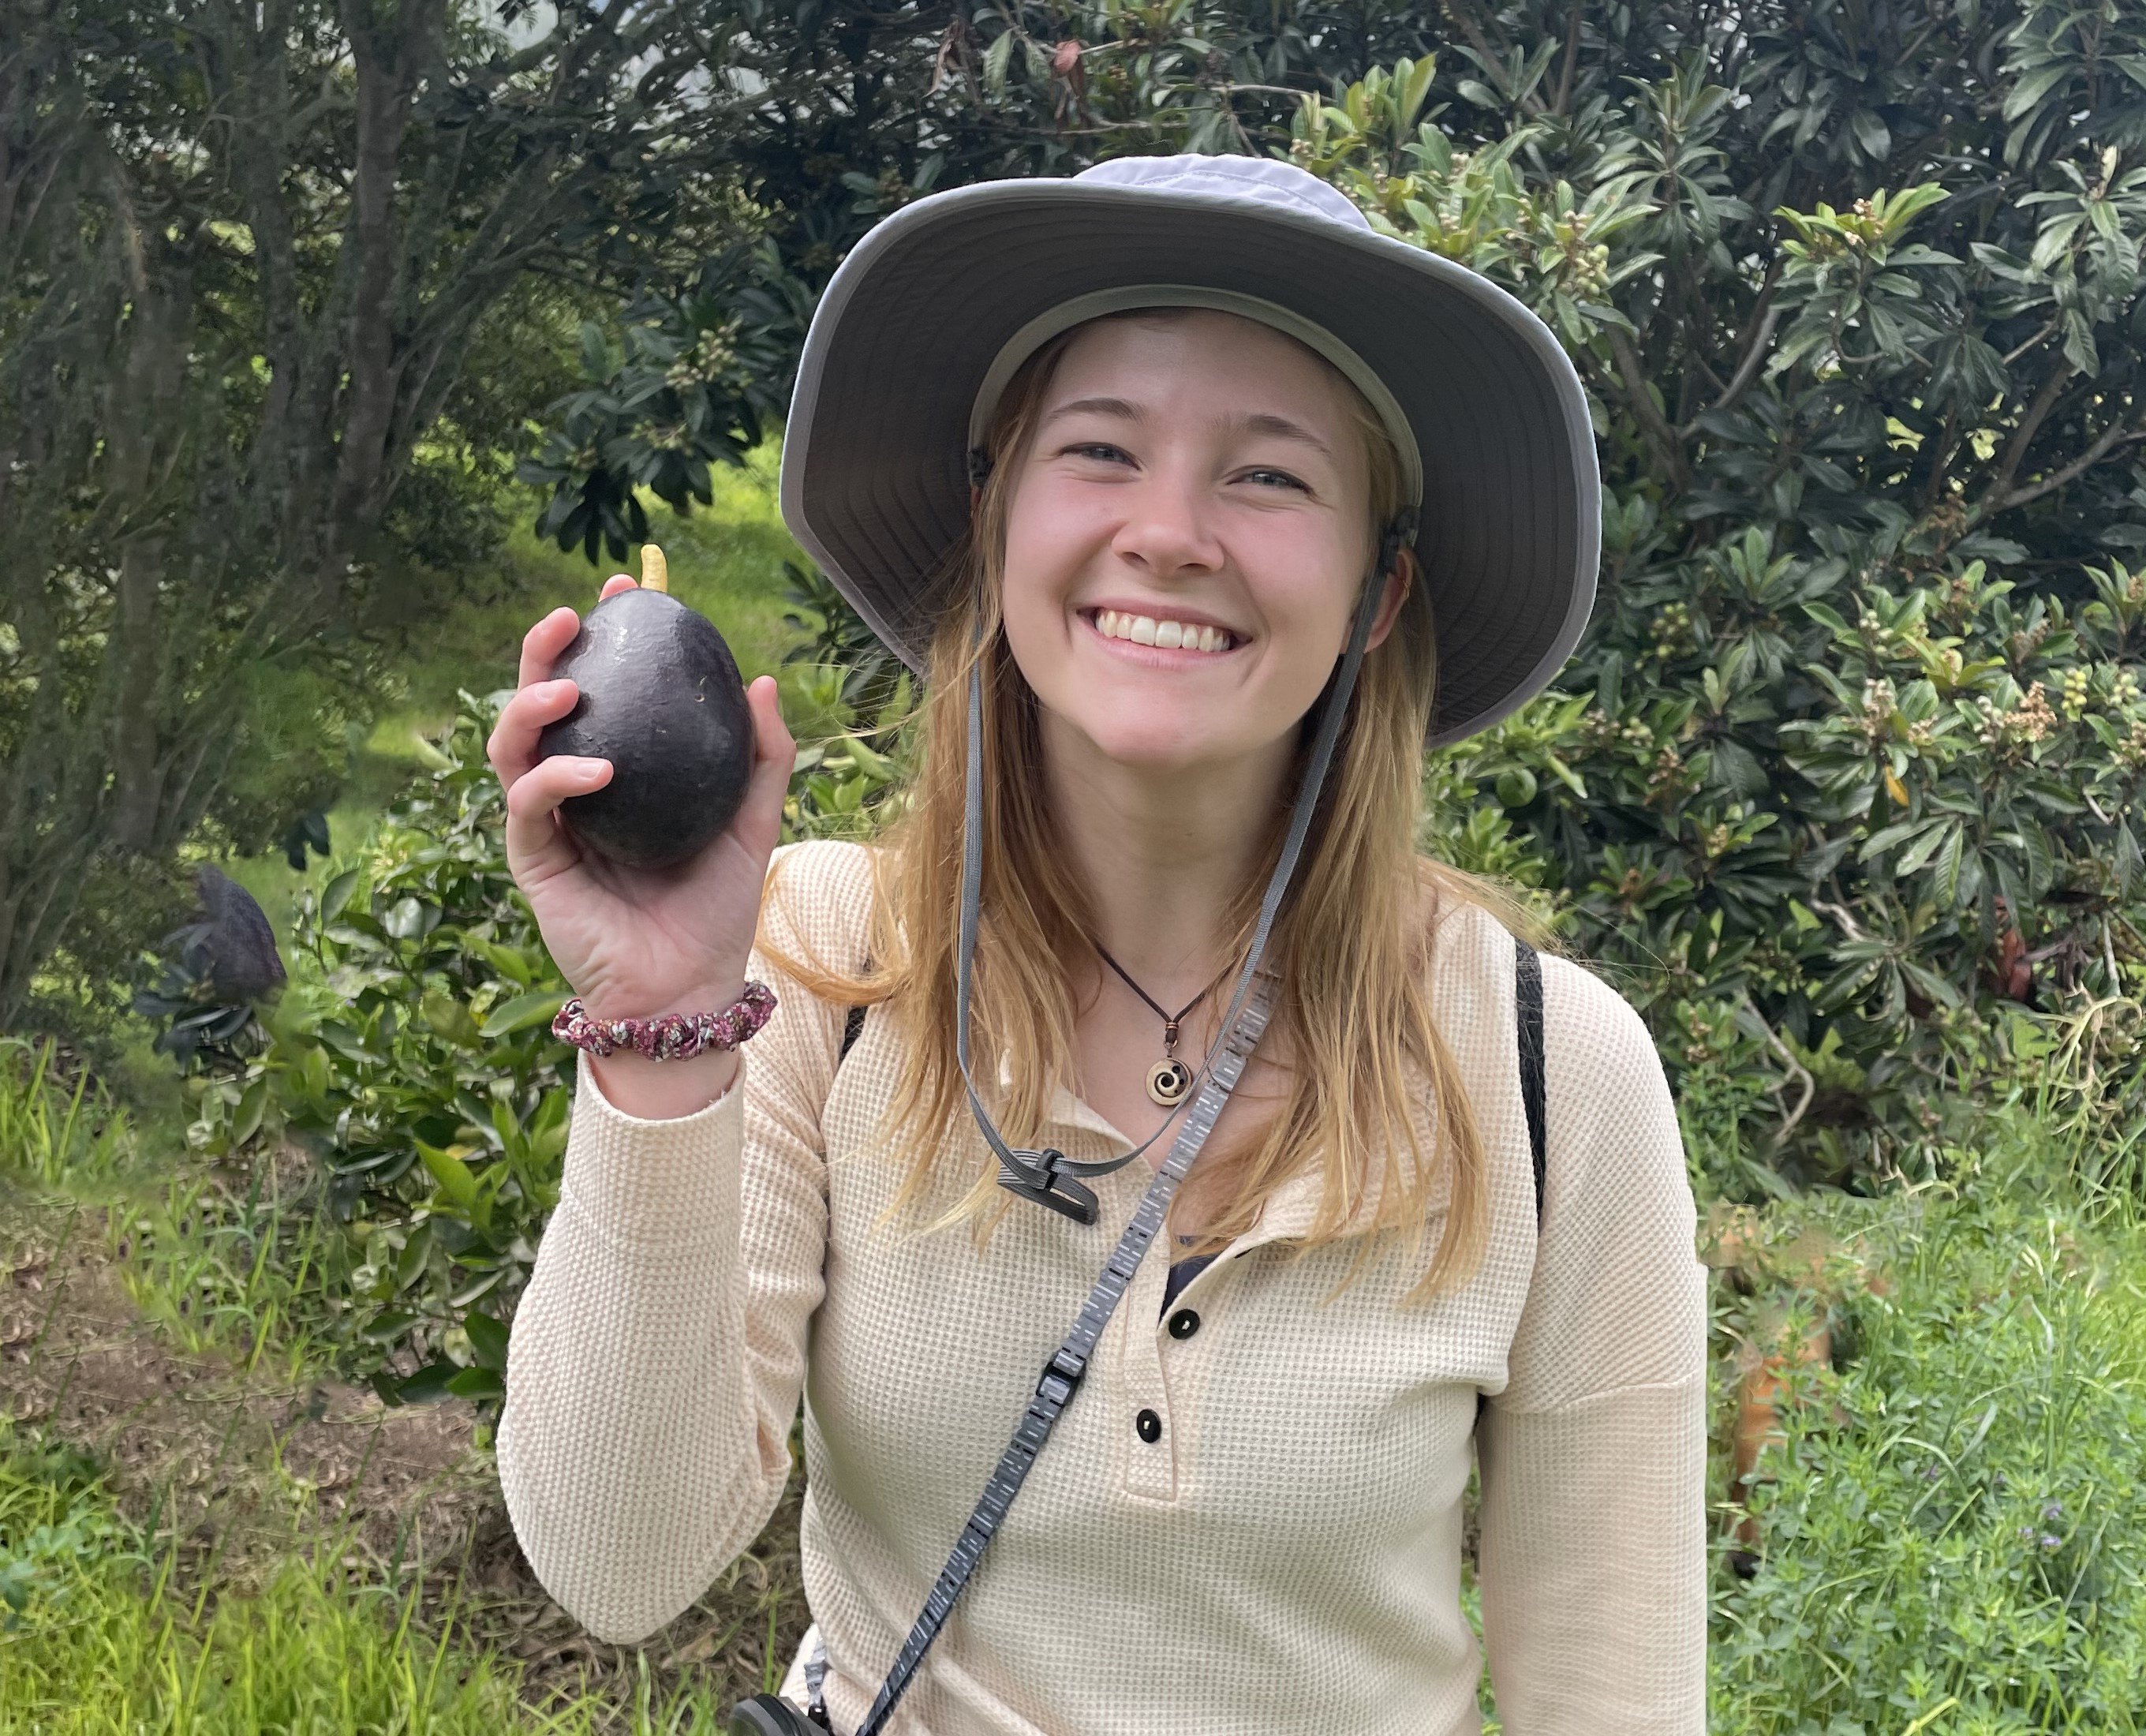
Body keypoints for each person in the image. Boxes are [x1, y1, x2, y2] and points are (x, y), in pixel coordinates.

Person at [491, 154, 1704, 1736]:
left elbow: (1612, 1695)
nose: (1171, 531)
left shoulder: (1551, 1068)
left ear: (1375, 590)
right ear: (996, 518)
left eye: (1269, 475)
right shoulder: (815, 967)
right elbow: (618, 1561)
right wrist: (659, 1028)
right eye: (1102, 448)